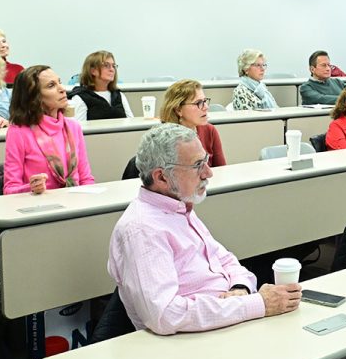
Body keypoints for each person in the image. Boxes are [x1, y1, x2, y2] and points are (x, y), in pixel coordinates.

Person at [109, 123, 302, 335]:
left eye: (206, 161)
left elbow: (225, 260)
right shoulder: (142, 229)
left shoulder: (180, 207)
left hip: (225, 320)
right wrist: (256, 304)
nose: (208, 173)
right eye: (197, 165)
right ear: (161, 177)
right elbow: (166, 315)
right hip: (190, 342)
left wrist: (239, 289)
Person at [4, 65, 95, 195]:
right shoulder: (19, 132)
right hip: (40, 208)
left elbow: (86, 179)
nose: (62, 89)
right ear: (35, 97)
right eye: (51, 85)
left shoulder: (73, 127)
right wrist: (31, 188)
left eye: (60, 82)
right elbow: (9, 189)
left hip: (75, 204)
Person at [161, 79, 227, 167]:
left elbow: (221, 170)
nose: (206, 107)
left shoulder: (209, 130)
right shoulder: (163, 138)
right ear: (178, 109)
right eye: (198, 103)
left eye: (205, 101)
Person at [67, 51, 133, 121]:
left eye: (113, 66)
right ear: (93, 71)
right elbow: (78, 129)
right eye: (106, 65)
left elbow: (131, 122)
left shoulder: (119, 95)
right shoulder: (80, 98)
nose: (112, 69)